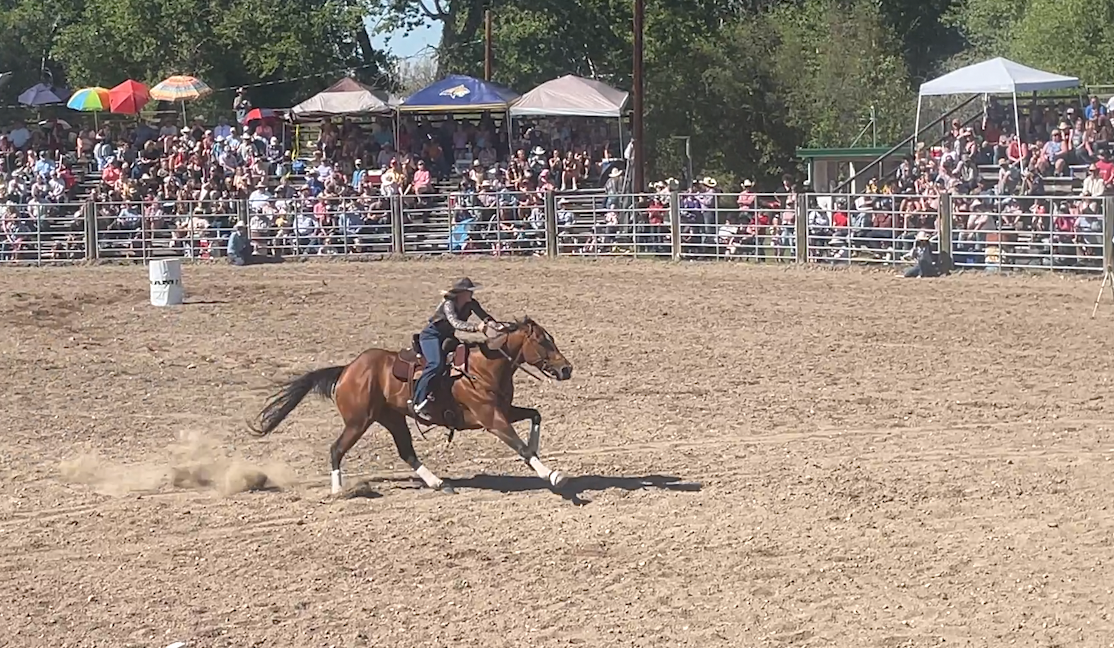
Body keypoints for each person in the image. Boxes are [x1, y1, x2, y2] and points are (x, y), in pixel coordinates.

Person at [410, 277, 504, 416]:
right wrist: (476, 328)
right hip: (432, 335)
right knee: (435, 364)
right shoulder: (449, 304)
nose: (471, 294)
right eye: (469, 291)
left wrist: (496, 325)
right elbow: (455, 323)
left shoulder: (471, 303)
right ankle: (418, 400)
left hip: (447, 337)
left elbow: (485, 316)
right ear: (461, 293)